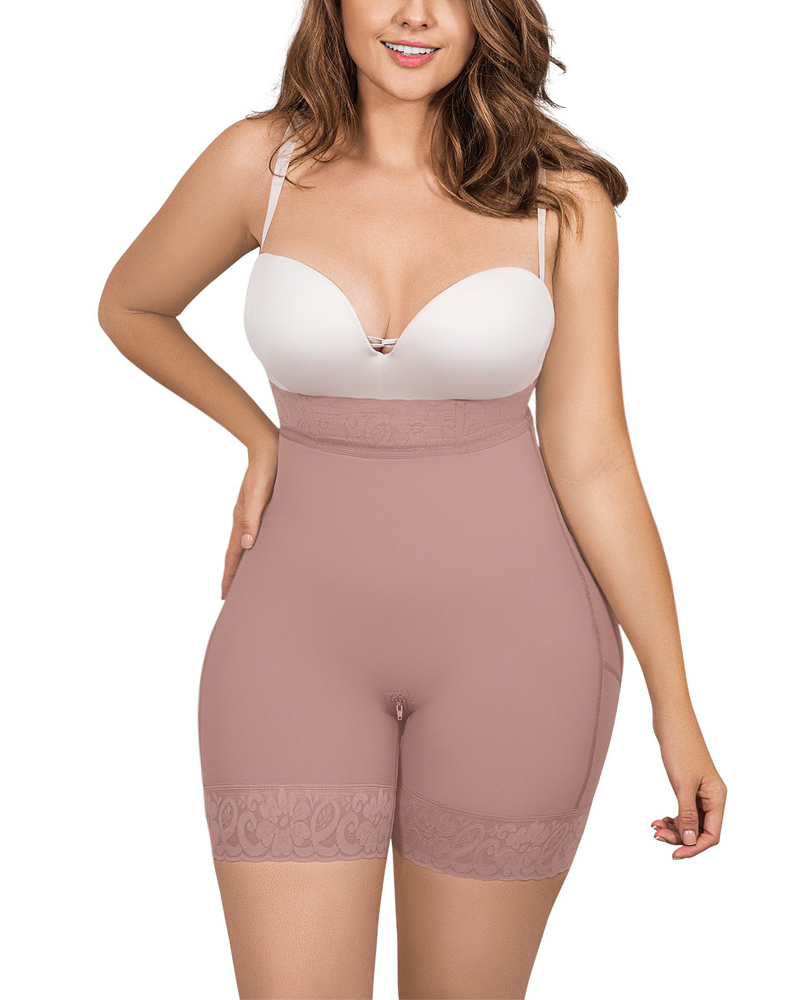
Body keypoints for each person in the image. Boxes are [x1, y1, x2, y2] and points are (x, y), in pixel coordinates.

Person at [98, 2, 727, 997]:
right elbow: (132, 304)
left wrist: (674, 706)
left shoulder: (557, 200)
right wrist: (258, 434)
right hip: (289, 645)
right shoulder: (260, 163)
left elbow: (595, 457)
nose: (414, 15)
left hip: (520, 656)